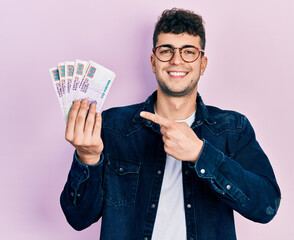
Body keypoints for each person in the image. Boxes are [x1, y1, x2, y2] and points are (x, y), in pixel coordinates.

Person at [60, 8, 281, 240]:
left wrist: (200, 153)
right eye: (166, 51)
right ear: (153, 62)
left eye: (188, 52)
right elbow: (78, 219)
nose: (177, 60)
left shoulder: (233, 129)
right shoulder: (112, 126)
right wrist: (88, 157)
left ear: (202, 64)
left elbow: (266, 206)